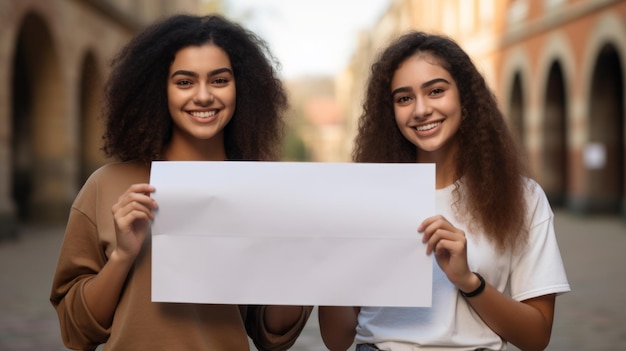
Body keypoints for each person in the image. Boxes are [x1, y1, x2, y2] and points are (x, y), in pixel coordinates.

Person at [50, 14, 311, 351]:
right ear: (159, 90)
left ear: (241, 88)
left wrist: (294, 258)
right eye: (184, 82)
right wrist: (123, 256)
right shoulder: (105, 186)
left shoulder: (260, 191)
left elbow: (272, 335)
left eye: (219, 80)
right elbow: (77, 332)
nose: (203, 96)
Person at [318, 31, 570, 351]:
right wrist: (331, 265)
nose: (421, 109)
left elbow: (536, 338)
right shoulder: (366, 199)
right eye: (404, 98)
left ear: (465, 96)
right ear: (390, 111)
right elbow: (337, 340)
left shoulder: (522, 197)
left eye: (435, 91)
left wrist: (468, 281)